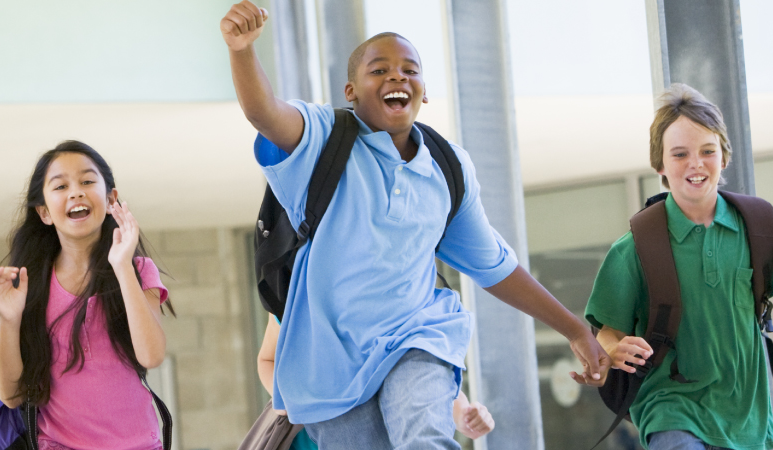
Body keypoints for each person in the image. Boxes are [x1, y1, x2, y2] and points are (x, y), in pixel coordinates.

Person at [219, 2, 608, 447]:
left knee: (425, 439)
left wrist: (575, 329)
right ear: (351, 90)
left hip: (417, 335)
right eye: (379, 69)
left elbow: (495, 267)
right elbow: (264, 113)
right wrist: (242, 51)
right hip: (331, 364)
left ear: (424, 91)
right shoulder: (322, 138)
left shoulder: (448, 168)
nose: (397, 77)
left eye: (410, 69)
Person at [584, 83, 773, 450]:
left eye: (707, 151)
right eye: (680, 154)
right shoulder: (635, 248)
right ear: (660, 165)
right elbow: (607, 331)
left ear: (724, 157)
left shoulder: (760, 229)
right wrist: (615, 349)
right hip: (671, 407)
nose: (695, 164)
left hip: (750, 414)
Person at [0, 141, 174, 450]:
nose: (76, 192)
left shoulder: (137, 270)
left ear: (111, 198)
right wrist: (10, 320)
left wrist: (122, 266)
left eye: (87, 181)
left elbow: (151, 355)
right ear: (43, 211)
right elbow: (12, 394)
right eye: (60, 186)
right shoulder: (29, 285)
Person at [255, 316, 495, 450]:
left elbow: (419, 374)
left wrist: (464, 415)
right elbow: (267, 359)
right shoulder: (293, 297)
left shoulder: (395, 301)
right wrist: (286, 396)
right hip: (310, 436)